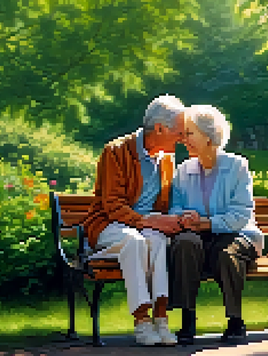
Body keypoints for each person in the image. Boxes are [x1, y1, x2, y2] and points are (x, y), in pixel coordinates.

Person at [81, 94, 186, 346]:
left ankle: (161, 320)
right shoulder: (115, 151)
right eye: (179, 132)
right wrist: (150, 221)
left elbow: (164, 204)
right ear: (160, 128)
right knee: (134, 242)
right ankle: (141, 322)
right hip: (109, 225)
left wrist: (175, 218)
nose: (182, 138)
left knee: (158, 241)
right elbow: (113, 206)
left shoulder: (167, 160)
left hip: (145, 227)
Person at [168, 105, 264, 345]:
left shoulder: (237, 166)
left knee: (225, 254)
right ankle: (187, 318)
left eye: (190, 133)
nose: (184, 139)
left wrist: (208, 223)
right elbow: (174, 207)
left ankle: (235, 320)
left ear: (209, 137)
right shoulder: (183, 170)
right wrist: (184, 217)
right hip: (197, 234)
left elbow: (241, 214)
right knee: (184, 244)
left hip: (236, 232)